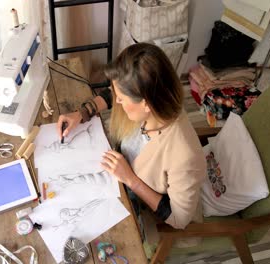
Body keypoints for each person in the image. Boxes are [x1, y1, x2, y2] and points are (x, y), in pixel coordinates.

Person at [56, 43, 206, 231]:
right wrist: (83, 112)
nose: (117, 101)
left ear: (145, 104)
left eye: (122, 99)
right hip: (118, 174)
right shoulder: (157, 102)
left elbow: (179, 218)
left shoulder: (183, 157)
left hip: (144, 204)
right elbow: (114, 93)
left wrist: (130, 179)